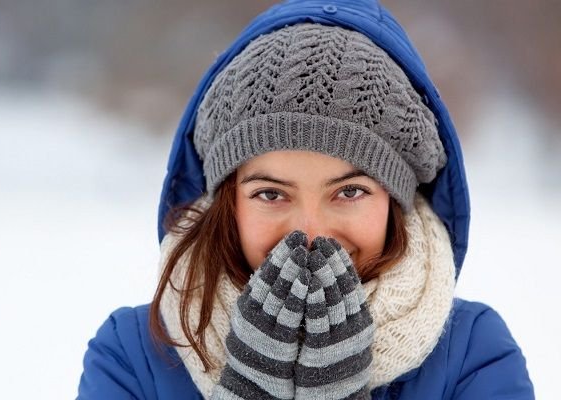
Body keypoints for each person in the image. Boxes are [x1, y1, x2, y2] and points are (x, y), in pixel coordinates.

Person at [77, 0, 534, 399]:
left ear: (396, 200)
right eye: (271, 193)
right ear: (227, 204)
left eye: (350, 191)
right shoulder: (133, 356)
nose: (310, 233)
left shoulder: (474, 355)